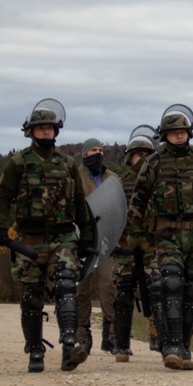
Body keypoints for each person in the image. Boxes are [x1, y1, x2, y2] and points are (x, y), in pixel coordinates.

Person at [0, 99, 96, 373]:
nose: (46, 131)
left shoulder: (67, 163)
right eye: (41, 128)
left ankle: (69, 346)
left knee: (66, 285)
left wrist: (87, 235)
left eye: (50, 127)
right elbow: (2, 197)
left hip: (63, 236)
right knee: (32, 296)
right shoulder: (18, 163)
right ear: (31, 131)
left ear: (56, 130)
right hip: (29, 238)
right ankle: (35, 348)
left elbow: (79, 201)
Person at [127, 104, 193, 371]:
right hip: (166, 233)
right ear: (165, 135)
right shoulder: (154, 163)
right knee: (171, 282)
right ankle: (171, 346)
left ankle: (184, 346)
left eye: (183, 131)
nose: (180, 135)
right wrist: (135, 233)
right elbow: (138, 201)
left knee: (191, 289)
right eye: (174, 132)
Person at [111, 125, 158, 362]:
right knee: (124, 295)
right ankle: (121, 345)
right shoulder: (119, 184)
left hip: (152, 248)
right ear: (130, 157)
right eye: (139, 155)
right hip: (126, 248)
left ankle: (163, 341)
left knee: (159, 291)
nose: (142, 159)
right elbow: (111, 217)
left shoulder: (158, 182)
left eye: (147, 155)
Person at [75, 139, 120, 356]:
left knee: (109, 285)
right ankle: (82, 335)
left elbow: (119, 208)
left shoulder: (113, 179)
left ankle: (110, 335)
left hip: (106, 241)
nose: (98, 153)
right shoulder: (75, 177)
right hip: (81, 241)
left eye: (101, 150)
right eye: (94, 150)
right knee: (80, 289)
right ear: (85, 154)